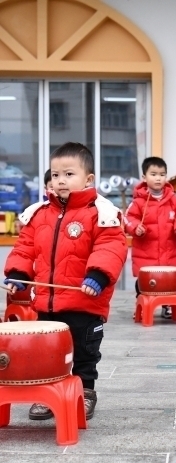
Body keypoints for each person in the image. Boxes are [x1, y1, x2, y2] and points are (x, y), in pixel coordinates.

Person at [4, 142, 127, 421]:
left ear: (88, 179)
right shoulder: (39, 214)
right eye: (56, 174)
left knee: (84, 352)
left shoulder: (102, 213)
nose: (61, 180)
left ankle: (85, 391)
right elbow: (25, 248)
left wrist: (97, 276)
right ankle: (48, 394)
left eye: (69, 174)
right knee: (47, 352)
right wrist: (19, 274)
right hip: (46, 303)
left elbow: (111, 248)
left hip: (84, 302)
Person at [124, 157, 176, 319]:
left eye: (162, 174)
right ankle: (141, 304)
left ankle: (168, 306)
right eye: (153, 174)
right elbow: (128, 218)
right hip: (146, 253)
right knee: (143, 282)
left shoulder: (173, 200)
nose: (158, 178)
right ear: (144, 177)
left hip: (169, 252)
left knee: (169, 281)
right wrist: (136, 228)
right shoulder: (138, 202)